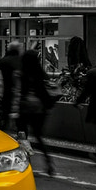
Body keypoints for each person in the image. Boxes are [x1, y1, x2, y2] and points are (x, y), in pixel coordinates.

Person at [17, 49, 57, 177]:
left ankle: (25, 163)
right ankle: (48, 161)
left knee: (23, 136)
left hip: (24, 107)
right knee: (39, 136)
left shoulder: (22, 74)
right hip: (39, 108)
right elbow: (45, 91)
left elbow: (18, 92)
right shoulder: (41, 73)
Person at [0, 40, 23, 131]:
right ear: (18, 49)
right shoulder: (22, 61)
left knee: (4, 118)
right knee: (21, 123)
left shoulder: (3, 61)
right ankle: (22, 137)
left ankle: (2, 137)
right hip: (20, 95)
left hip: (5, 94)